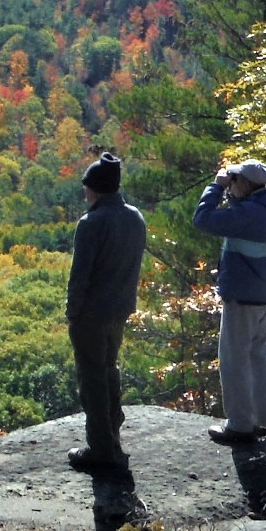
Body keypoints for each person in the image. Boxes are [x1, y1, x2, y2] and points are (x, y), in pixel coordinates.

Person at [64, 153, 148, 474]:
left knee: (92, 379)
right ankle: (112, 432)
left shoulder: (91, 223)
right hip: (120, 309)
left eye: (87, 186)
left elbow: (80, 276)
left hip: (91, 314)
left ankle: (100, 449)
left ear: (96, 189)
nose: (85, 192)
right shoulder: (134, 217)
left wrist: (73, 312)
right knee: (110, 368)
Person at [193, 157, 266, 445]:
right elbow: (244, 215)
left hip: (242, 295)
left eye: (235, 180)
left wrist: (216, 188)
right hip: (262, 293)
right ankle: (260, 422)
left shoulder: (248, 214)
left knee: (234, 359)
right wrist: (234, 193)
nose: (231, 183)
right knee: (257, 357)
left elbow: (202, 219)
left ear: (245, 183)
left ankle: (240, 425)